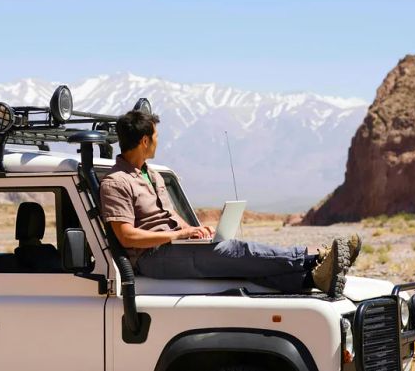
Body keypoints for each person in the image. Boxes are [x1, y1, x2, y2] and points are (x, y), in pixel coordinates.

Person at [99, 110, 361, 297]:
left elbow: (170, 215)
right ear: (144, 140)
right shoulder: (116, 182)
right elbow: (126, 236)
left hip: (174, 245)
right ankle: (312, 258)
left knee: (242, 266)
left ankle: (312, 279)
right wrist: (178, 234)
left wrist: (196, 231)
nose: (158, 142)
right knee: (236, 250)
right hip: (151, 257)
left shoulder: (152, 174)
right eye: (155, 137)